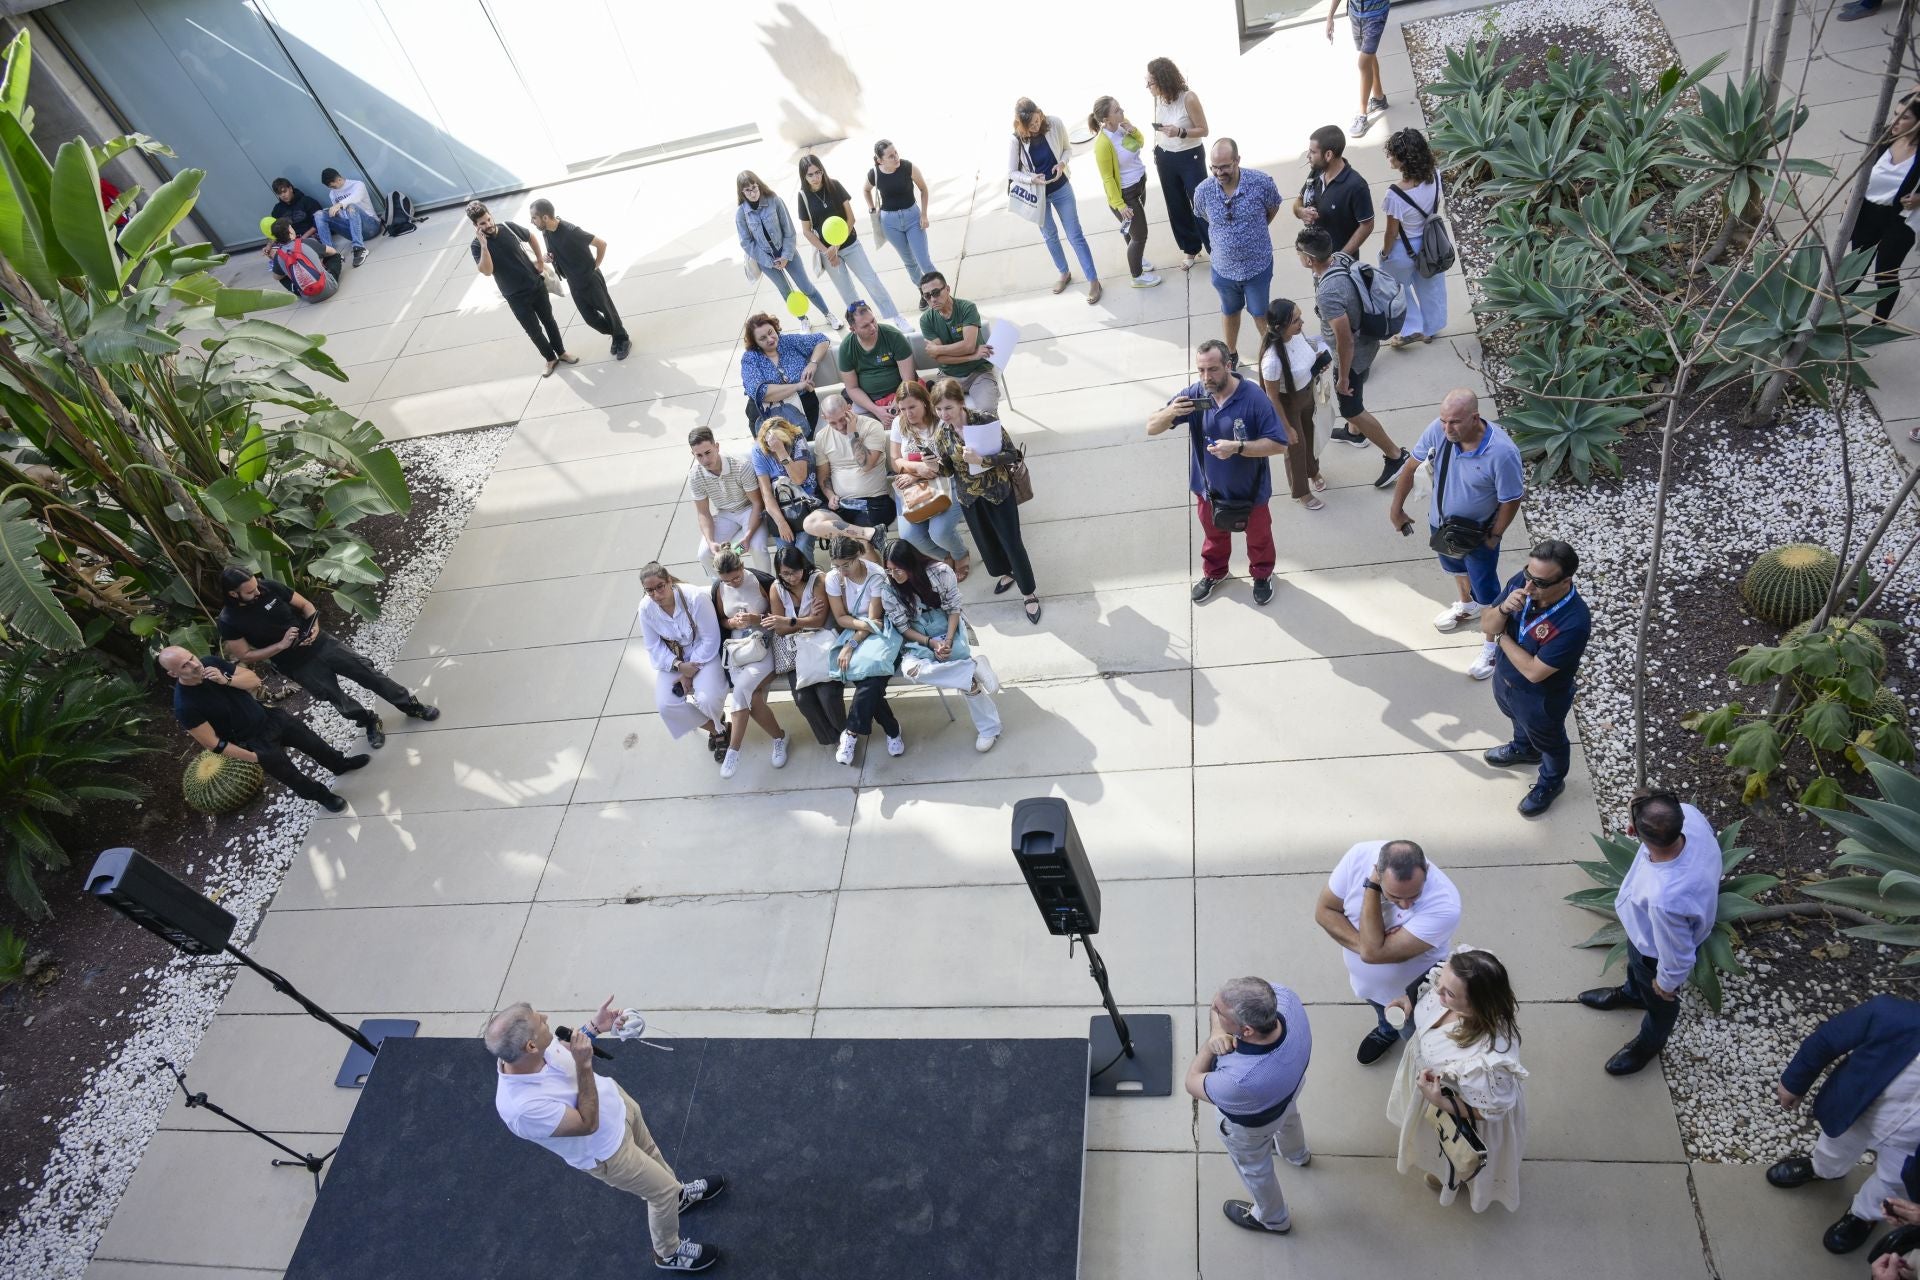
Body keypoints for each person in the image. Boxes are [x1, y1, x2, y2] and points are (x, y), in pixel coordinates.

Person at [487, 1000, 723, 1273]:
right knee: (661, 1194)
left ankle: (678, 1199)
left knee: (655, 1158)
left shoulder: (528, 1049)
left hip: (620, 1110)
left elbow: (563, 1052)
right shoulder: (521, 1108)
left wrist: (595, 1027)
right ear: (530, 1046)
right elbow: (587, 1124)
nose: (545, 1016)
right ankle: (668, 1252)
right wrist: (585, 1064)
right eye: (539, 1020)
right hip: (609, 1152)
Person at [217, 568, 438, 751]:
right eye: (250, 591)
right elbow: (245, 655)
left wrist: (314, 627)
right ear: (233, 594)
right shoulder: (229, 620)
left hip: (323, 644)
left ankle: (410, 706)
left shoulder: (270, 587)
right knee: (336, 698)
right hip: (296, 664)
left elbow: (305, 606)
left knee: (368, 673)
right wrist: (281, 645)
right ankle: (369, 721)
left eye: (256, 585)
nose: (258, 591)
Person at [1577, 791, 1720, 1075]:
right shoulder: (1688, 816)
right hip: (1643, 933)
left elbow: (1678, 954)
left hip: (1653, 951)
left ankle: (1649, 1043)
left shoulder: (1665, 899)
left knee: (1661, 1005)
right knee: (1636, 968)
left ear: (1631, 831)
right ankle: (1633, 994)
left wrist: (1666, 984)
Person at [1388, 390, 1524, 681]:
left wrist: (1495, 536)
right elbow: (1410, 467)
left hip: (1478, 536)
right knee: (1455, 570)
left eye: (1455, 423)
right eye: (1443, 421)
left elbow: (1512, 499)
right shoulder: (1439, 432)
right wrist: (1396, 509)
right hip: (1444, 529)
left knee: (1489, 594)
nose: (1447, 429)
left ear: (1475, 418)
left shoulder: (1502, 453)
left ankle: (1492, 645)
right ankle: (1467, 604)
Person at [1769, 996, 1920, 1255]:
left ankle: (1863, 1214)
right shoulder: (1895, 1016)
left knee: (1891, 1184)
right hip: (1857, 1113)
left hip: (1910, 1147)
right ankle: (1824, 1169)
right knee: (1833, 1146)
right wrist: (1795, 1080)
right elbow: (1829, 1039)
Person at [1383, 948, 1527, 1212]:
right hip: (1430, 1089)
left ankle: (1453, 1178)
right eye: (1441, 984)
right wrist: (1409, 999)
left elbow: (1489, 1111)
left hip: (1453, 1107)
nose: (1437, 994)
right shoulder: (1462, 969)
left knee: (1449, 1152)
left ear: (1478, 1005)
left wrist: (1438, 1100)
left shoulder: (1489, 1062)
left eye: (1448, 994)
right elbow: (1434, 982)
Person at [1148, 339, 1288, 607]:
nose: (1205, 377)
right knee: (1213, 538)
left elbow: (1280, 444)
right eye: (1200, 370)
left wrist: (1239, 447)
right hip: (1208, 491)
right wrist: (1170, 412)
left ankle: (1262, 575)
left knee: (1259, 539)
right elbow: (1151, 427)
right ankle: (1215, 573)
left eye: (1212, 369)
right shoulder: (1196, 395)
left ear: (1228, 365)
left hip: (1251, 492)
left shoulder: (1254, 398)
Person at [158, 646, 369, 813]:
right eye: (184, 666)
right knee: (291, 775)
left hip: (269, 717)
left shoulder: (211, 663)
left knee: (314, 743)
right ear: (172, 673)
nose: (194, 665)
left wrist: (227, 680)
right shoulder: (185, 705)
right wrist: (254, 757)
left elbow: (253, 680)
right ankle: (323, 796)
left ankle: (339, 764)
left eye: (191, 658)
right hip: (253, 741)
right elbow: (212, 743)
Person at [1314, 839, 1462, 1065]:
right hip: (1368, 986)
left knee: (1419, 1040)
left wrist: (1371, 888)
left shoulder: (1445, 905)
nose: (1405, 905)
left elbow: (1373, 954)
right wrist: (1368, 950)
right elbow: (1324, 911)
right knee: (1381, 1010)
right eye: (1394, 896)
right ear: (1378, 873)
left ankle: (1420, 1061)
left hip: (1415, 996)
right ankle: (1387, 1029)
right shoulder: (1358, 856)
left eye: (1414, 895)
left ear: (1427, 871)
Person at [1186, 976, 1313, 1235]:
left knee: (1256, 1169)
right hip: (1289, 1088)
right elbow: (1217, 1001)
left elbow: (1192, 1082)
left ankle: (1273, 1219)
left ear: (1246, 1031)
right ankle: (1297, 1155)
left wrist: (1213, 1040)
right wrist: (1221, 1028)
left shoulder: (1239, 1081)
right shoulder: (1286, 998)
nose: (1213, 1011)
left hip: (1254, 1126)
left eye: (1219, 1014)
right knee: (1289, 1119)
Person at [1481, 539, 1591, 816]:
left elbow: (1534, 671)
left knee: (1551, 743)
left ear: (1565, 582)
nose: (1528, 587)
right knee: (1516, 719)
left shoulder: (1574, 621)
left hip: (1540, 698)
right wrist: (1504, 609)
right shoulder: (1524, 582)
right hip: (1506, 680)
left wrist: (1502, 637)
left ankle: (1551, 783)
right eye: (1528, 575)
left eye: (1540, 583)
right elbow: (1487, 623)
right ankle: (1523, 748)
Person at [1297, 225, 1410, 486]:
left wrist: (1344, 377)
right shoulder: (1341, 258)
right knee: (1353, 401)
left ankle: (1396, 455)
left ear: (1309, 259)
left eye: (1299, 253)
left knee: (1351, 406)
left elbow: (1344, 340)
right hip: (1367, 342)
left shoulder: (1329, 293)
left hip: (1353, 355)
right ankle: (1355, 433)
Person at [929, 377, 1041, 624]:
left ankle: (1028, 592)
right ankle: (1006, 572)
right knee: (987, 543)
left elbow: (1013, 453)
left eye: (948, 407)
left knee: (1012, 543)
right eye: (938, 409)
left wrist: (983, 461)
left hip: (998, 492)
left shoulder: (985, 421)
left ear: (960, 403)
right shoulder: (941, 434)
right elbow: (948, 469)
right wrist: (935, 466)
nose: (943, 414)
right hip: (970, 497)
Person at [881, 541, 1001, 752]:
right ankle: (972, 668)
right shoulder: (889, 589)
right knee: (911, 670)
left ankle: (989, 729)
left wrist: (947, 640)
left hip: (948, 626)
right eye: (888, 570)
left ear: (910, 563)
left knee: (964, 677)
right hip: (918, 638)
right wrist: (930, 642)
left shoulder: (941, 572)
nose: (893, 575)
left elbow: (954, 608)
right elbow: (902, 627)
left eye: (897, 569)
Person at [1193, 139, 1282, 366]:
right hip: (1224, 270)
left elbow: (1272, 208)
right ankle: (1231, 354)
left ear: (1237, 160)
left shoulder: (1261, 183)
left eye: (1224, 166)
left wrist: (1253, 232)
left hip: (1257, 267)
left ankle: (1272, 359)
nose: (1219, 172)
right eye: (1214, 167)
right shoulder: (1203, 192)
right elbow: (1203, 216)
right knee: (1230, 311)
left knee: (1260, 314)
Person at [1010, 98, 1102, 304]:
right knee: (1049, 236)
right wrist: (1030, 178)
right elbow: (1012, 172)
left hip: (1061, 188)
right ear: (1021, 125)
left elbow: (1068, 149)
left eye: (1037, 120)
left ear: (1039, 113)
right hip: (1038, 194)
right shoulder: (1016, 140)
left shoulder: (1054, 123)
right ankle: (1064, 273)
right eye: (1031, 125)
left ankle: (1094, 280)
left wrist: (1062, 163)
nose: (1036, 125)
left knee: (1075, 235)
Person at [468, 201, 576, 376]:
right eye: (482, 223)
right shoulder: (476, 246)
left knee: (549, 321)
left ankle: (562, 353)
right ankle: (550, 358)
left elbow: (531, 237)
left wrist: (540, 261)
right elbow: (487, 271)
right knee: (533, 331)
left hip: (535, 285)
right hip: (515, 296)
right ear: (475, 226)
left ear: (491, 215)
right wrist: (484, 246)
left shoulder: (508, 227)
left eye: (488, 219)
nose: (488, 224)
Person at [709, 552, 789, 780]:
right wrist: (731, 622)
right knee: (751, 697)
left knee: (742, 689)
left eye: (735, 578)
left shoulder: (761, 581)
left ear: (743, 566)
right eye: (727, 580)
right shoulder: (719, 588)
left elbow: (780, 614)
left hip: (765, 644)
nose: (732, 583)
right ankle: (780, 738)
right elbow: (721, 619)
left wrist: (756, 619)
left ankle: (733, 750)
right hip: (737, 649)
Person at [638, 562, 730, 762]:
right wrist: (679, 666)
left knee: (707, 698)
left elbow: (711, 639)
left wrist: (690, 671)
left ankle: (718, 725)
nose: (655, 594)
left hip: (704, 654)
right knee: (666, 705)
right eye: (649, 590)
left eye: (660, 586)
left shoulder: (695, 597)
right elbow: (653, 647)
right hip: (673, 660)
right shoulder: (645, 608)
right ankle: (717, 729)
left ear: (669, 581)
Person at [825, 536, 905, 766]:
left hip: (880, 632)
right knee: (870, 681)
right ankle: (891, 728)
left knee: (870, 674)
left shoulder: (876, 575)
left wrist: (852, 644)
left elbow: (876, 618)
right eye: (836, 565)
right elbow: (841, 617)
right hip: (858, 627)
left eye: (846, 565)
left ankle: (850, 732)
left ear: (858, 555)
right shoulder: (833, 579)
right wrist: (861, 627)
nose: (841, 571)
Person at [795, 153, 901, 324]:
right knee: (847, 292)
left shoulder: (834, 186)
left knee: (871, 281)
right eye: (810, 174)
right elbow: (806, 231)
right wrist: (828, 252)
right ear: (803, 176)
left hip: (850, 244)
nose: (816, 177)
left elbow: (850, 219)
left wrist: (835, 247)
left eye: (818, 172)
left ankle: (895, 317)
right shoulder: (803, 196)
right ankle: (863, 325)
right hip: (828, 252)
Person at [765, 544, 847, 745]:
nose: (791, 577)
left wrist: (791, 621)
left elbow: (818, 622)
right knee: (803, 700)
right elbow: (779, 629)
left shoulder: (817, 580)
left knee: (828, 694)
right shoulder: (776, 588)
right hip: (797, 649)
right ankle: (831, 739)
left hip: (823, 643)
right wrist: (804, 620)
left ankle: (847, 734)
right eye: (785, 573)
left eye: (795, 571)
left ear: (803, 565)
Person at [735, 170, 837, 332]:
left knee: (806, 287)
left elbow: (789, 231)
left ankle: (828, 314)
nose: (753, 193)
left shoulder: (774, 200)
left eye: (754, 187)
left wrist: (785, 256)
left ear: (759, 185)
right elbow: (746, 242)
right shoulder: (741, 213)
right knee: (786, 292)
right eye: (748, 190)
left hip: (787, 252)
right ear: (742, 192)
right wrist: (769, 261)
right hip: (765, 259)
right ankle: (803, 320)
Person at [888, 381, 972, 577]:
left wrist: (916, 472)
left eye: (912, 407)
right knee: (909, 535)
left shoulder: (942, 421)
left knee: (939, 532)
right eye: (902, 409)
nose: (908, 413)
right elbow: (894, 460)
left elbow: (951, 462)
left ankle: (960, 555)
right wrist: (915, 470)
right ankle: (944, 555)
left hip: (947, 482)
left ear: (924, 403)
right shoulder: (898, 423)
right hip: (913, 488)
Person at [529, 197, 630, 360]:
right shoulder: (546, 232)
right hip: (573, 282)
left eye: (534, 217)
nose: (532, 221)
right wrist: (551, 257)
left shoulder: (571, 231)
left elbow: (601, 244)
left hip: (590, 279)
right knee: (590, 318)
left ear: (545, 217)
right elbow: (558, 251)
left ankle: (622, 339)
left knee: (608, 311)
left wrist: (595, 266)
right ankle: (616, 333)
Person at [1852, 95, 1920, 333]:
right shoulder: (1884, 138)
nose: (1896, 121)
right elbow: (1864, 171)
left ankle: (1879, 325)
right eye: (1895, 114)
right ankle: (1830, 311)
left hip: (1899, 219)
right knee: (1853, 266)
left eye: (1905, 117)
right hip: (1868, 212)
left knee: (1886, 272)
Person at [1257, 299, 1329, 512]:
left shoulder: (1296, 336)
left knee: (1310, 436)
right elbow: (1272, 397)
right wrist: (1286, 427)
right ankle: (1302, 492)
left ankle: (1312, 470)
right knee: (1295, 448)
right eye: (1296, 320)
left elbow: (1302, 358)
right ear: (1280, 327)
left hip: (1306, 394)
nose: (1302, 322)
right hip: (1287, 404)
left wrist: (1316, 362)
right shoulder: (1271, 360)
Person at [1380, 128, 1448, 347]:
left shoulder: (1395, 194)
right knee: (1431, 286)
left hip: (1403, 248)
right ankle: (1431, 328)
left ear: (1404, 160)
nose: (1389, 158)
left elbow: (1392, 232)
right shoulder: (1435, 175)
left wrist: (1384, 253)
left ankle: (1411, 327)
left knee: (1395, 287)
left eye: (1392, 154)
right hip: (1431, 244)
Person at [1145, 57, 1210, 269]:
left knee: (1200, 203)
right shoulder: (1160, 98)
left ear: (1163, 80)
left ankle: (1215, 249)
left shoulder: (1188, 98)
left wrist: (1180, 131)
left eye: (1151, 83)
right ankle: (1190, 248)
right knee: (1176, 205)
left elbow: (1204, 129)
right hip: (1165, 156)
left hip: (1189, 156)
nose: (1148, 87)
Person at [1091, 96, 1160, 289]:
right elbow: (1107, 178)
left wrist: (1134, 131)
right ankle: (1136, 276)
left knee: (1131, 230)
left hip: (1139, 184)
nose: (1122, 111)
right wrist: (1120, 205)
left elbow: (1140, 143)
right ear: (1106, 119)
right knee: (1140, 235)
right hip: (1126, 194)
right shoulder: (1103, 144)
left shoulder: (1123, 126)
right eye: (1116, 110)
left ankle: (1137, 258)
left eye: (1120, 107)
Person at [687, 426, 771, 575]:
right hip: (725, 514)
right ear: (693, 454)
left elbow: (758, 503)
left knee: (756, 547)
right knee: (705, 554)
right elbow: (703, 513)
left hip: (749, 510)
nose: (705, 460)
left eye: (708, 452)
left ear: (716, 447)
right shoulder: (695, 475)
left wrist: (747, 537)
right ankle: (721, 589)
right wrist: (710, 541)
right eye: (699, 455)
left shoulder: (741, 466)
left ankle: (767, 585)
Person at [1293, 126, 1377, 268]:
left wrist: (1339, 258)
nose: (1308, 156)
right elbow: (1298, 201)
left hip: (1342, 269)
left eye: (1313, 152)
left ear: (1328, 155)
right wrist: (1301, 212)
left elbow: (1367, 225)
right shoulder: (1316, 172)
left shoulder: (1356, 186)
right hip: (1317, 262)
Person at [918, 271, 1000, 415]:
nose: (932, 299)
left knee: (987, 413)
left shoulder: (967, 308)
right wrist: (972, 356)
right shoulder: (926, 320)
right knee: (943, 415)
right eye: (927, 296)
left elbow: (968, 346)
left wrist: (939, 349)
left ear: (948, 289)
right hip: (948, 376)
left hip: (979, 373)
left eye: (936, 292)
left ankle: (992, 438)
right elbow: (940, 358)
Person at [815, 394, 896, 531]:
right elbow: (824, 476)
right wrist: (830, 496)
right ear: (824, 418)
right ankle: (862, 538)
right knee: (811, 523)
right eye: (833, 423)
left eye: (842, 419)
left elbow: (866, 465)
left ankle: (856, 538)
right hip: (842, 504)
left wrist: (852, 434)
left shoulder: (871, 426)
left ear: (849, 408)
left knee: (853, 534)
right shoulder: (822, 437)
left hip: (873, 502)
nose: (840, 426)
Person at [864, 140, 938, 288]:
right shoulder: (874, 174)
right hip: (890, 224)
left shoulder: (907, 167)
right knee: (910, 262)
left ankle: (940, 291)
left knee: (923, 260)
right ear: (880, 160)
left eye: (896, 153)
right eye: (890, 156)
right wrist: (872, 208)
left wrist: (924, 214)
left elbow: (923, 189)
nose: (896, 157)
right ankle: (923, 291)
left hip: (912, 218)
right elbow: (866, 190)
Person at [741, 311, 829, 435]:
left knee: (801, 448)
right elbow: (760, 392)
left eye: (770, 332)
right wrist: (798, 386)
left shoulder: (788, 342)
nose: (770, 339)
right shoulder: (750, 358)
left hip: (802, 408)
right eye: (762, 338)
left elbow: (822, 339)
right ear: (755, 342)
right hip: (768, 416)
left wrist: (813, 363)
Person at [837, 301, 923, 425]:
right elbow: (852, 388)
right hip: (868, 400)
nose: (873, 327)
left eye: (873, 321)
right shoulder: (846, 348)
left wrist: (896, 404)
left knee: (909, 423)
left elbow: (908, 379)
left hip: (902, 392)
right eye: (865, 326)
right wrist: (876, 410)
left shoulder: (893, 336)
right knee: (858, 431)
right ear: (853, 329)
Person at [751, 416, 822, 559]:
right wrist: (781, 523)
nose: (773, 446)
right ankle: (785, 580)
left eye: (782, 442)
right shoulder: (759, 451)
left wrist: (781, 452)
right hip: (780, 507)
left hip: (806, 502)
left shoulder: (797, 439)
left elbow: (798, 478)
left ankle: (808, 577)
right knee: (784, 553)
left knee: (801, 547)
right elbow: (766, 494)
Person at [1326, 0, 1393, 138]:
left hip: (1376, 14)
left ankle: (1362, 114)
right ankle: (1379, 98)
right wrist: (1330, 17)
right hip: (1355, 14)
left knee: (1363, 62)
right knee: (1368, 55)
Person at [263, 218, 342, 301]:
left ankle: (299, 289)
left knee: (282, 278)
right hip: (330, 289)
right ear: (290, 231)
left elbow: (276, 277)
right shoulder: (308, 242)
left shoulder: (278, 256)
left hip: (309, 298)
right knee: (335, 256)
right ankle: (328, 277)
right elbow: (332, 251)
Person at [318, 166, 382, 267]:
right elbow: (342, 215)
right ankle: (331, 254)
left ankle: (359, 248)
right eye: (330, 187)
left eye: (333, 186)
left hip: (371, 227)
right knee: (319, 214)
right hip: (352, 230)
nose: (332, 189)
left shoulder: (357, 185)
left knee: (351, 206)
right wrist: (334, 214)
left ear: (339, 179)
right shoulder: (332, 194)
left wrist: (340, 204)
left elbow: (355, 198)